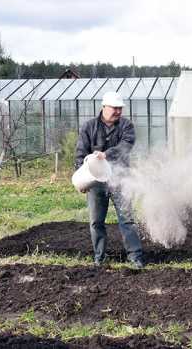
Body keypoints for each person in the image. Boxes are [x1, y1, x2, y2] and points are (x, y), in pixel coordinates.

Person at [74, 91, 144, 269]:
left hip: (121, 179)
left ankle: (135, 257)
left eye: (120, 108)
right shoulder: (89, 127)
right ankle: (100, 257)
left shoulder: (126, 126)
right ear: (104, 107)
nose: (118, 111)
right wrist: (81, 179)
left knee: (127, 220)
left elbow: (125, 146)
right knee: (96, 221)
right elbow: (81, 154)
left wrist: (106, 155)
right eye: (115, 108)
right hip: (96, 182)